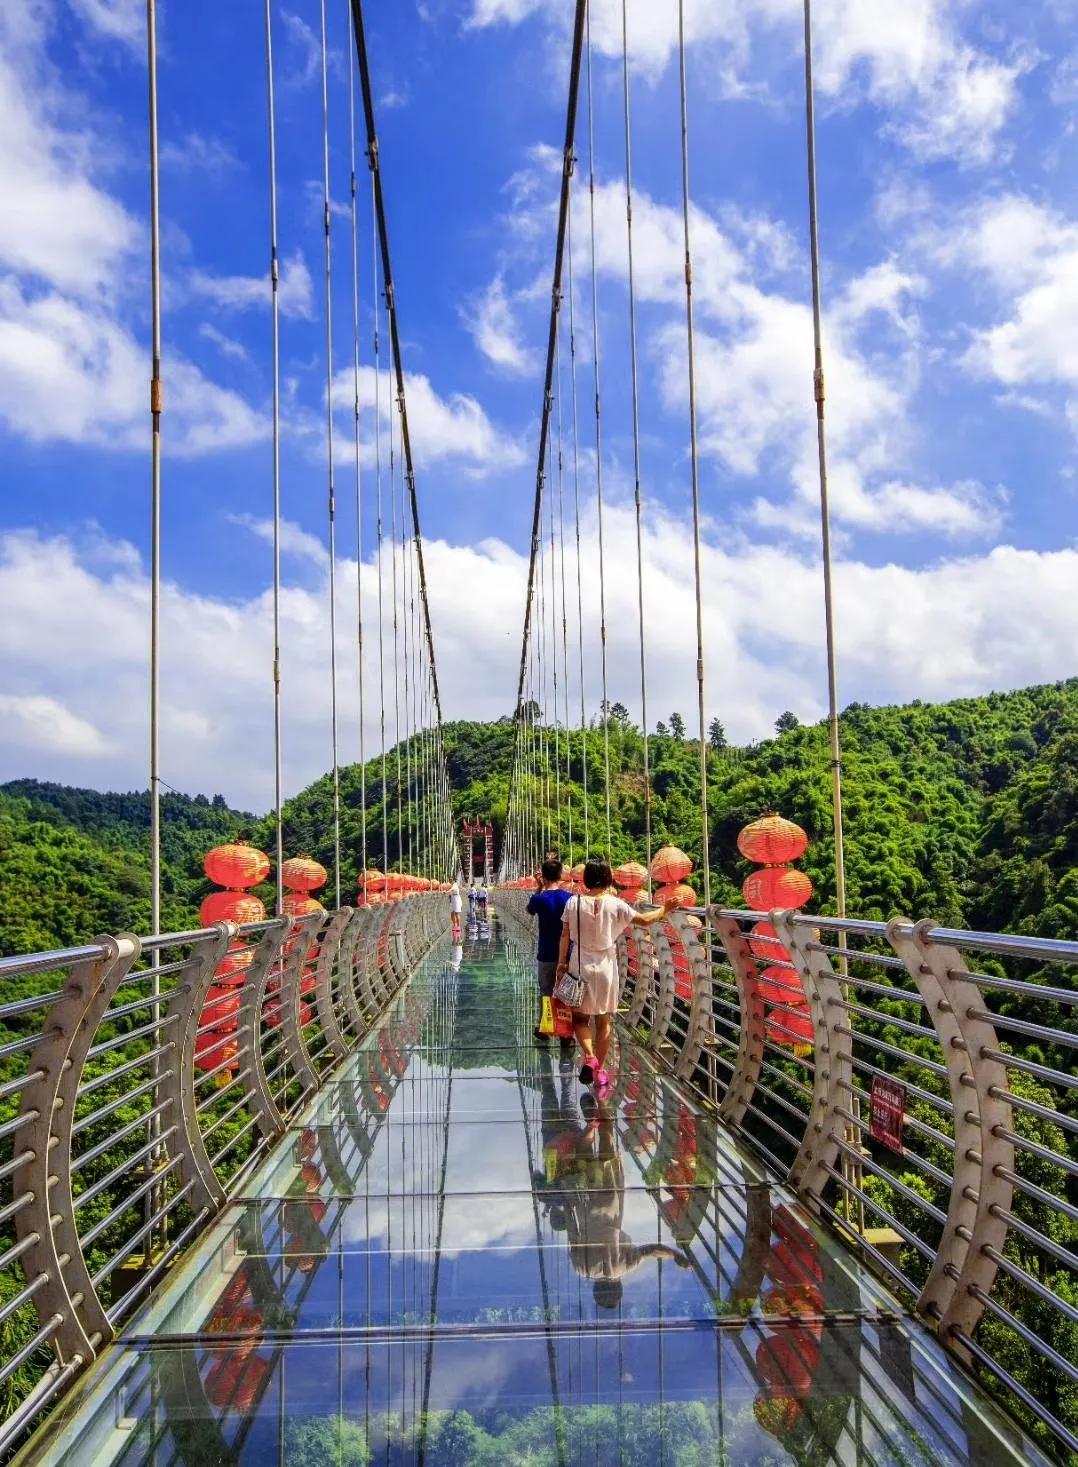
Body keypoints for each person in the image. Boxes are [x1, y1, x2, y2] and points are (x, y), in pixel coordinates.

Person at [557, 857, 676, 1090]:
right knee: (604, 1021)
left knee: (580, 1019)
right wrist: (665, 909)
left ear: (587, 879)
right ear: (609, 879)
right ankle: (599, 1071)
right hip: (606, 966)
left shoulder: (573, 902)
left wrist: (561, 964)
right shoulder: (616, 903)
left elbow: (564, 935)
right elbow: (643, 920)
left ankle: (589, 1056)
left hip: (579, 964)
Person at [527, 858, 571, 1046]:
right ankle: (565, 1035)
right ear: (561, 876)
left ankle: (545, 1028)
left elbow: (530, 910)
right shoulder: (570, 898)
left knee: (546, 992)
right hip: (567, 954)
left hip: (545, 954)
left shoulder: (539, 898)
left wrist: (539, 887)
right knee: (565, 993)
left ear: (543, 877)